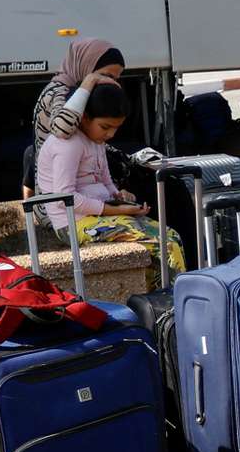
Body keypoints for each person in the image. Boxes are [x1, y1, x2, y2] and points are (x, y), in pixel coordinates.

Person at [36, 82, 184, 289]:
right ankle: (175, 303)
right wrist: (113, 209)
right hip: (75, 223)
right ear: (84, 117)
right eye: (105, 127)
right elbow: (64, 198)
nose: (111, 135)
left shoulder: (95, 141)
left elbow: (105, 181)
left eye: (116, 128)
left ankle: (158, 298)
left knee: (172, 236)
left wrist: (119, 195)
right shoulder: (68, 145)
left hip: (101, 215)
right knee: (164, 245)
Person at [28, 38, 126, 195]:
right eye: (105, 75)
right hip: (56, 204)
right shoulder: (59, 91)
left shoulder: (77, 91)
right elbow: (62, 130)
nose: (109, 82)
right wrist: (90, 81)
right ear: (86, 66)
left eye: (115, 79)